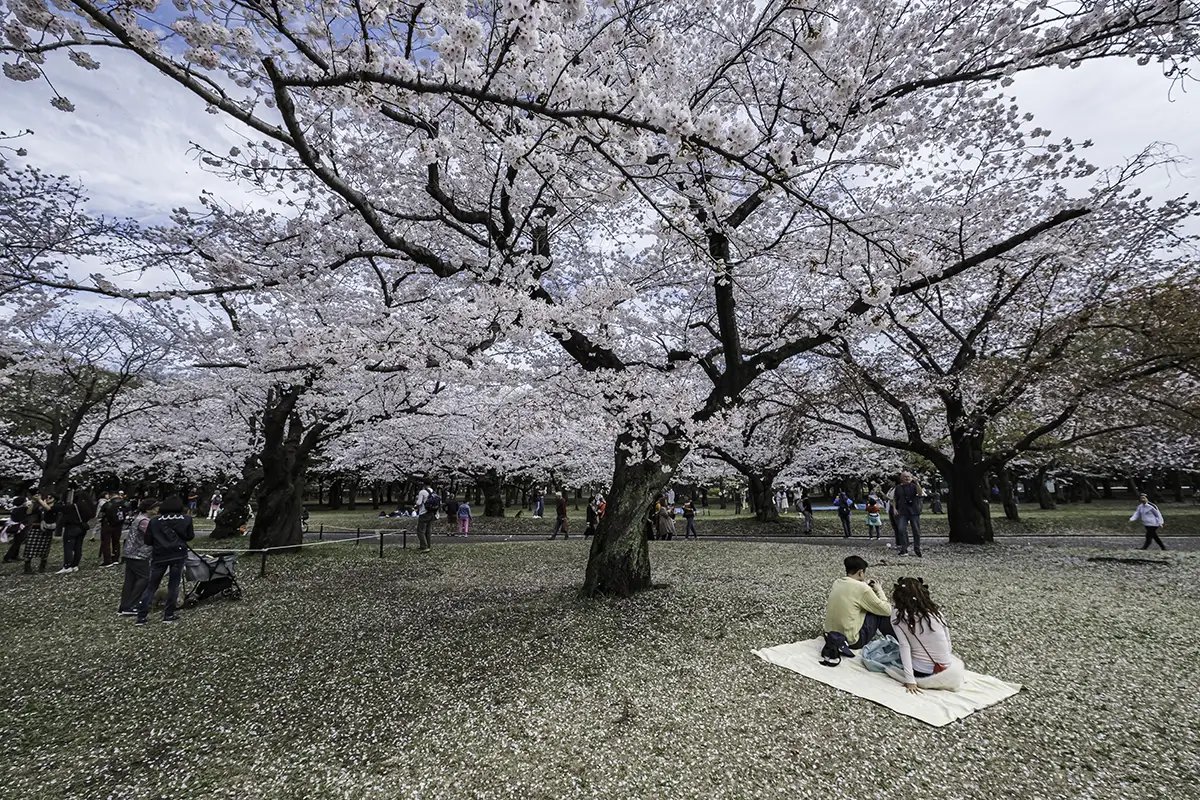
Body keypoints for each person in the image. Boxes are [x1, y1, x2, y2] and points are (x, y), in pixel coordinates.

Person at [884, 577, 965, 693]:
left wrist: (910, 680)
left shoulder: (897, 616)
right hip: (945, 667)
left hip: (921, 671)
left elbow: (904, 646)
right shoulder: (936, 613)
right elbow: (948, 643)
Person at [135, 495, 194, 625]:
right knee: (173, 585)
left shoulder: (155, 521)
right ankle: (169, 614)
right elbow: (189, 537)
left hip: (159, 556)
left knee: (151, 586)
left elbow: (148, 540)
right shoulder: (186, 519)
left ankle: (141, 616)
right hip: (178, 555)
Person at [824, 555, 894, 649]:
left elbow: (852, 593)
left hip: (831, 637)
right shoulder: (863, 589)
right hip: (851, 642)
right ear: (861, 572)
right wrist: (879, 590)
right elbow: (887, 610)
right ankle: (897, 643)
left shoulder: (837, 582)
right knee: (881, 613)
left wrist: (865, 585)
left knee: (867, 606)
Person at [119, 498, 158, 616]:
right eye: (155, 507)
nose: (157, 509)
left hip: (130, 553)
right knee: (144, 578)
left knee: (130, 580)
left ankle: (125, 606)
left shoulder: (139, 518)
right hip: (139, 554)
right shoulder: (144, 521)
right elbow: (153, 535)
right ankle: (132, 604)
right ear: (148, 509)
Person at [56, 490, 96, 575]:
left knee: (68, 547)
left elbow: (58, 509)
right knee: (78, 547)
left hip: (72, 528)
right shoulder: (89, 508)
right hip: (82, 528)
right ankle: (75, 564)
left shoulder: (74, 507)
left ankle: (67, 565)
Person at [894, 472, 924, 557]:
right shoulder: (898, 487)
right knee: (901, 529)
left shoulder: (914, 486)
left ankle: (917, 548)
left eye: (908, 477)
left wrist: (917, 482)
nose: (907, 478)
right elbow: (895, 498)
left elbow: (920, 493)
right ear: (901, 478)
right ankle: (904, 548)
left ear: (911, 478)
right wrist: (894, 508)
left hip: (914, 511)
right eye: (905, 477)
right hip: (902, 511)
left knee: (916, 530)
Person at [98, 491, 125, 568]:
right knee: (116, 541)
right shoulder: (123, 503)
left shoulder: (108, 504)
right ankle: (116, 558)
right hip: (119, 525)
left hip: (108, 525)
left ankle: (107, 560)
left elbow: (101, 513)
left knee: (106, 542)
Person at [2, 494, 30, 563]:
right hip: (21, 527)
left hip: (16, 528)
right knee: (17, 543)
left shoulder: (15, 509)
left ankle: (15, 556)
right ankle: (7, 557)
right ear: (22, 503)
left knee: (17, 542)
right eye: (25, 501)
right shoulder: (23, 509)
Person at [414, 484, 436, 552]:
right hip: (431, 513)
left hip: (424, 513)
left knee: (420, 531)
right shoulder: (432, 491)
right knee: (428, 531)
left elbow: (419, 502)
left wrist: (416, 502)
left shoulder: (422, 492)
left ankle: (424, 546)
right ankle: (428, 545)